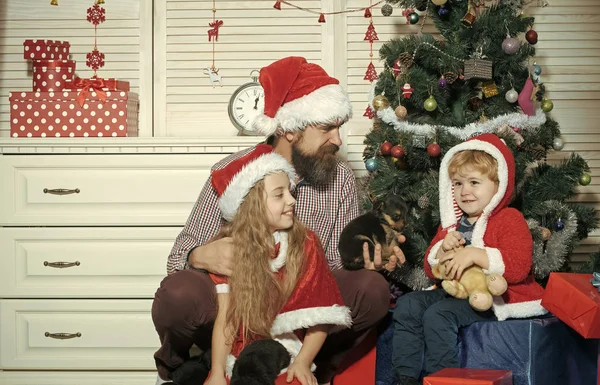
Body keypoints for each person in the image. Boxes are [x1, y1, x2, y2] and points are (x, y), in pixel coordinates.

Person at [152, 56, 405, 385]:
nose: (339, 140)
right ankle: (182, 372)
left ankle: (310, 367)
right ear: (289, 128)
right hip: (238, 303)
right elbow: (177, 258)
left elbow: (335, 267)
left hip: (301, 307)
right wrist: (197, 256)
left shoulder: (339, 177)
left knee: (371, 289)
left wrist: (368, 261)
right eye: (327, 128)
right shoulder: (232, 173)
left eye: (339, 128)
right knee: (178, 292)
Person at [392, 134, 547, 385]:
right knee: (408, 304)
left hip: (491, 297)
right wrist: (441, 252)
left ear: (498, 185)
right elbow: (431, 271)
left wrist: (475, 254)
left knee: (439, 314)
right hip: (455, 291)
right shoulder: (452, 224)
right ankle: (404, 377)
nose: (465, 191)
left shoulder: (509, 219)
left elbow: (519, 266)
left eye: (474, 182)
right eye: (457, 184)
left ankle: (440, 378)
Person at [204, 145, 352, 385]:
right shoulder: (230, 251)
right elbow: (226, 321)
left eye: (290, 191)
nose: (292, 200)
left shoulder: (306, 243)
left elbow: (320, 315)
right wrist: (218, 372)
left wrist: (302, 362)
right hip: (241, 352)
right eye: (279, 194)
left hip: (288, 350)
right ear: (252, 205)